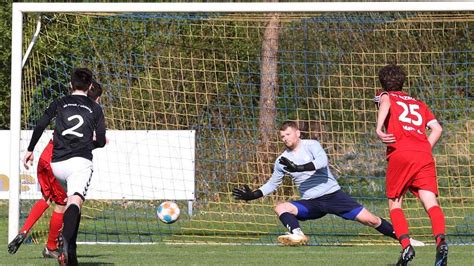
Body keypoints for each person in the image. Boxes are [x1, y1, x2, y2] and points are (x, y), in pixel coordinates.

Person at [233, 120, 421, 247]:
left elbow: (322, 162)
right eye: (282, 137)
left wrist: (298, 168)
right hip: (311, 203)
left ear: (297, 133)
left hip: (333, 196)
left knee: (371, 220)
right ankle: (298, 235)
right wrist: (253, 195)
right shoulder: (282, 160)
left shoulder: (312, 145)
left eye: (288, 134)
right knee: (281, 207)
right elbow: (272, 184)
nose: (285, 139)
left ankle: (406, 240)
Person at [8, 80, 104, 259]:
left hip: (46, 155)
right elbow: (96, 141)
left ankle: (24, 230)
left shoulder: (68, 104)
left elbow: (45, 123)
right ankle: (51, 247)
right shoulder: (91, 112)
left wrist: (30, 149)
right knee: (62, 204)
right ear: (96, 98)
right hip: (61, 159)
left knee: (46, 198)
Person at [374, 64, 447, 266]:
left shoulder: (386, 96)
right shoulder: (419, 103)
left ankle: (406, 246)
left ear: (383, 84)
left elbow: (386, 100)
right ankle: (441, 241)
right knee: (430, 202)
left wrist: (379, 129)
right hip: (423, 155)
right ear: (403, 82)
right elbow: (437, 129)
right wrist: (424, 147)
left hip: (401, 153)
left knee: (395, 203)